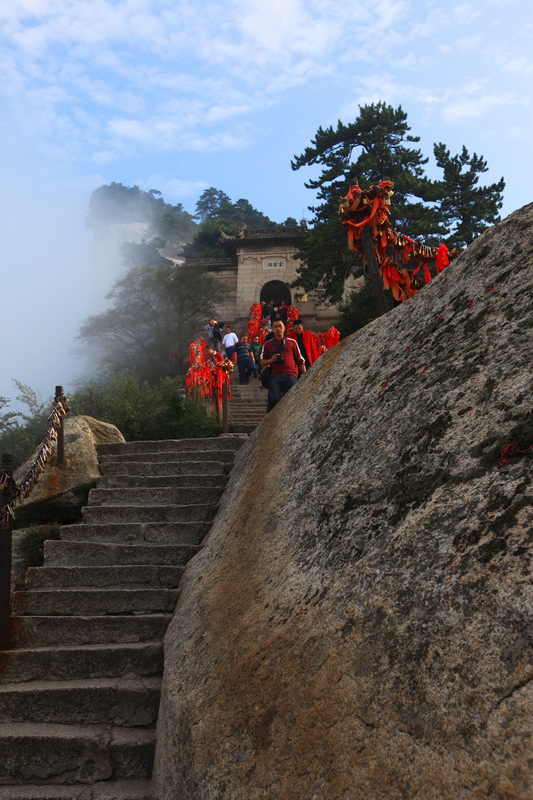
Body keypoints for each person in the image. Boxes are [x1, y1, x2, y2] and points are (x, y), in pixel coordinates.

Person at [261, 319, 306, 412]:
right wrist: (272, 360)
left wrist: (305, 376)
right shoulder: (268, 344)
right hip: (275, 375)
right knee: (273, 399)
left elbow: (300, 360)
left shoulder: (292, 342)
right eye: (275, 327)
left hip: (291, 375)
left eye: (280, 326)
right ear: (272, 329)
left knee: (291, 400)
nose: (278, 329)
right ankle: (270, 418)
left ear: (284, 328)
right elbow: (262, 362)